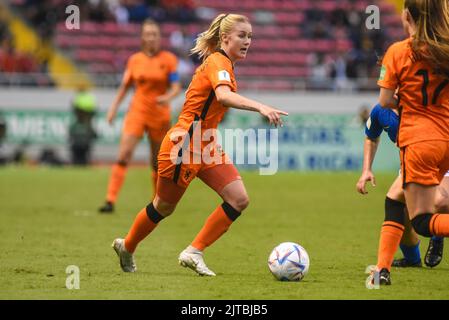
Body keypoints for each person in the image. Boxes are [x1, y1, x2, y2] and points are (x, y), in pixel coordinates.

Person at [111, 13, 288, 275]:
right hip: (184, 144)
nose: (248, 41)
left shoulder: (224, 63)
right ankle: (127, 245)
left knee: (238, 199)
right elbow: (224, 96)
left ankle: (194, 251)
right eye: (242, 35)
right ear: (225, 38)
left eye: (250, 36)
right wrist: (260, 106)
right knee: (163, 206)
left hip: (205, 143)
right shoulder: (218, 62)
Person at [374, 0, 449, 285]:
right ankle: (382, 271)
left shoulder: (399, 51)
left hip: (419, 141)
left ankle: (382, 272)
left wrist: (407, 97)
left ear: (407, 15)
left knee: (420, 221)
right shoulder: (445, 49)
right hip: (446, 139)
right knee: (394, 198)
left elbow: (384, 102)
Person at [99, 19, 182, 213]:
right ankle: (110, 200)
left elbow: (177, 87)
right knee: (124, 155)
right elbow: (126, 86)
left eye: (155, 34)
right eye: (148, 34)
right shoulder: (134, 60)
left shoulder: (169, 60)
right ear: (142, 37)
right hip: (137, 111)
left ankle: (157, 201)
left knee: (157, 161)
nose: (151, 37)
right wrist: (113, 109)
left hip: (160, 114)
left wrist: (167, 97)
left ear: (159, 38)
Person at [356, 103, 445, 279]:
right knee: (400, 210)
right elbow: (371, 137)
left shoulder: (426, 103)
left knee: (440, 203)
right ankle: (409, 260)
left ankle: (437, 236)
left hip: (440, 156)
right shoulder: (381, 111)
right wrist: (366, 169)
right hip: (412, 163)